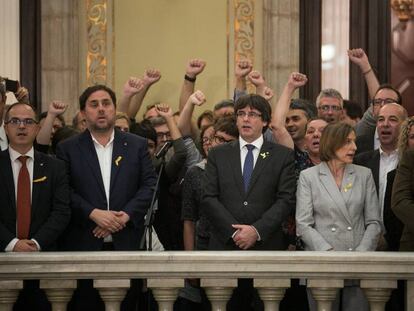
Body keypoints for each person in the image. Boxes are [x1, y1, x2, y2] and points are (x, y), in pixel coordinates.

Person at [56, 85, 156, 311]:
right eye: (94, 105)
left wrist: (124, 217)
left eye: (106, 103)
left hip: (127, 243)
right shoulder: (67, 148)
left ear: (114, 108)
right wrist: (94, 214)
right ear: (83, 113)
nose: (101, 109)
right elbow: (64, 191)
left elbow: (149, 185)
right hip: (83, 244)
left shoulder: (136, 144)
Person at [202, 93, 296, 311]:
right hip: (225, 247)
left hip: (267, 247)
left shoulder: (282, 155)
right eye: (241, 114)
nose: (245, 119)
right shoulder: (218, 154)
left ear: (264, 121)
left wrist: (256, 230)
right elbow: (208, 197)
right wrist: (234, 232)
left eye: (253, 114)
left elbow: (286, 199)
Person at [296, 122, 381, 311]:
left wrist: (361, 253)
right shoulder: (308, 177)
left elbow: (374, 222)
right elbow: (303, 224)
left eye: (355, 141)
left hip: (358, 261)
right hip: (322, 261)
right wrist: (328, 252)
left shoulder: (364, 174)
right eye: (348, 142)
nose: (355, 147)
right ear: (332, 143)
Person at [0, 102, 70, 310]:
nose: (22, 127)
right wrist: (13, 244)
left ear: (38, 128)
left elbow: (61, 212)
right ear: (5, 127)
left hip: (44, 262)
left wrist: (35, 243)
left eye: (28, 121)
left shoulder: (55, 166)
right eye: (15, 121)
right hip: (3, 260)